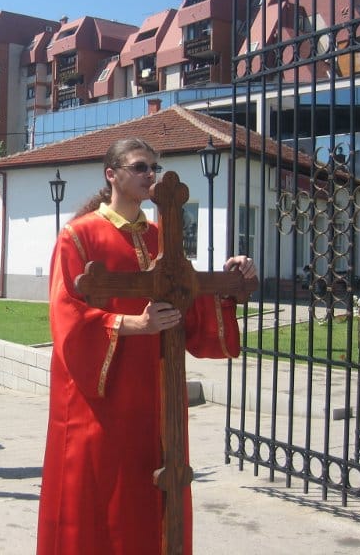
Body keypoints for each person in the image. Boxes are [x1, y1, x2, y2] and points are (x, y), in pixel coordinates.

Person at [36, 137, 257, 554]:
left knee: (153, 494)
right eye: (140, 167)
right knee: (101, 499)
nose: (150, 175)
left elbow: (189, 308)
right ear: (111, 174)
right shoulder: (78, 236)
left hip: (157, 396)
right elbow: (67, 315)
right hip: (101, 399)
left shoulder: (162, 237)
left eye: (154, 167)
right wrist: (135, 324)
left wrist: (229, 283)